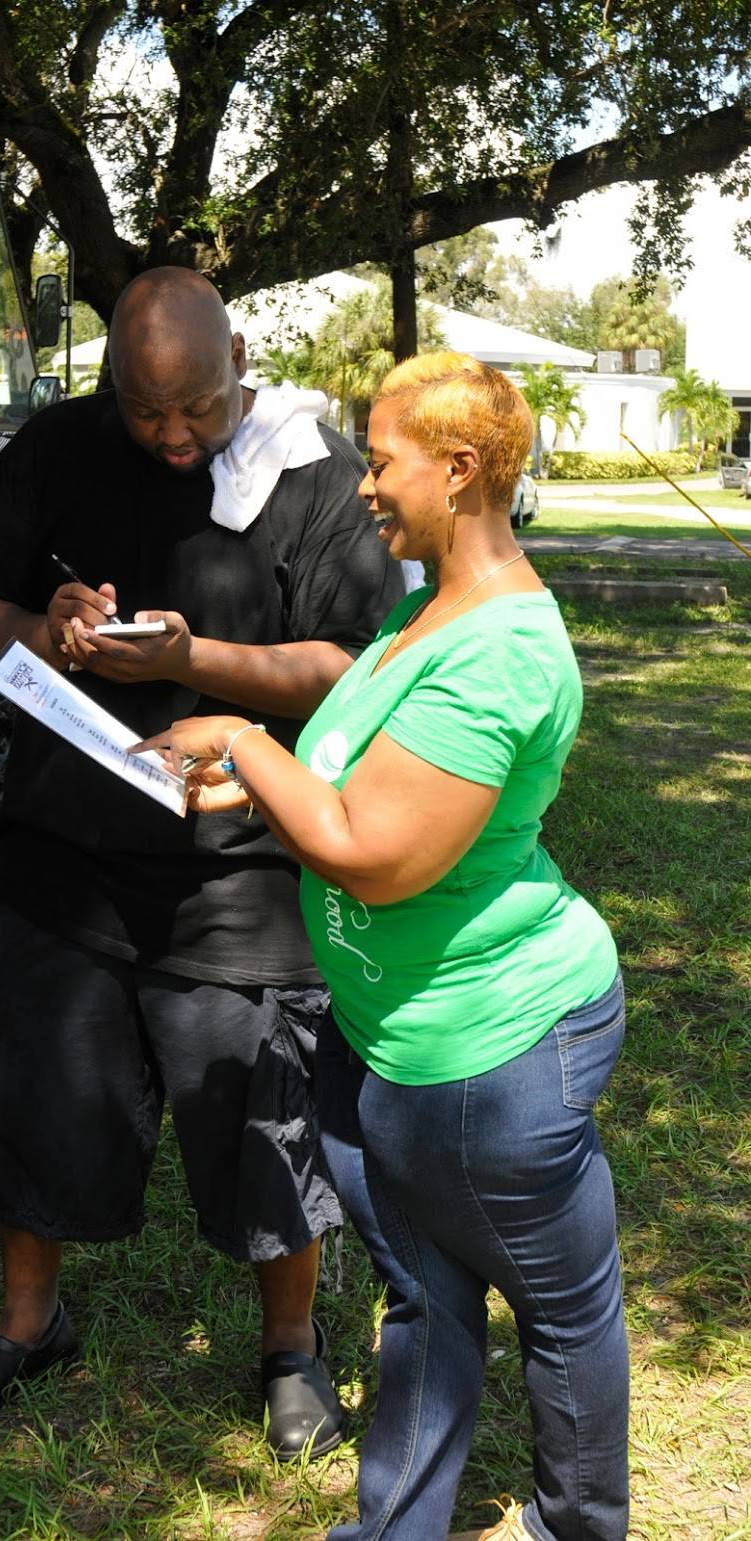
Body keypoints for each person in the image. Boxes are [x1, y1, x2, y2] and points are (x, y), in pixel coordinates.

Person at [0, 267, 403, 1454]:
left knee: (263, 1113)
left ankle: (290, 1349)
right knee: (32, 1095)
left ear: (238, 360)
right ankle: (30, 1323)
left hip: (242, 868)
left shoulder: (313, 468)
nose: (173, 438)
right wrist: (46, 625)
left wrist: (197, 656)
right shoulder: (56, 448)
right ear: (114, 379)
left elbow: (350, 664)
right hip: (62, 860)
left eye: (198, 410)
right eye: (145, 412)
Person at [136, 351, 628, 1540]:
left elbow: (373, 853)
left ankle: (576, 1525)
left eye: (381, 460)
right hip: (387, 1037)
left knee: (560, 1309)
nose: (362, 485)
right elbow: (348, 773)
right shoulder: (423, 609)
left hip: (492, 1052)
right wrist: (261, 791)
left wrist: (245, 747)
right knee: (421, 1294)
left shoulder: (500, 651)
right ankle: (395, 1524)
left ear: (459, 472)